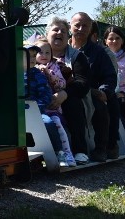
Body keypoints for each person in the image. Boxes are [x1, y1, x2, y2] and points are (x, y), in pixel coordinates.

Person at [70, 12, 118, 162]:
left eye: (85, 25)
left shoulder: (98, 52)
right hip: (69, 92)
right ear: (70, 26)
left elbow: (110, 76)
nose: (80, 28)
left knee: (100, 105)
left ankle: (101, 148)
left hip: (92, 92)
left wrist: (104, 91)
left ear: (91, 29)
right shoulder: (62, 49)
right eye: (77, 25)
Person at [24, 38, 76, 167]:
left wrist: (37, 107)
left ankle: (59, 152)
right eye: (27, 56)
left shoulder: (39, 75)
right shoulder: (14, 75)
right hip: (20, 111)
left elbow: (46, 95)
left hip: (37, 111)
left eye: (33, 56)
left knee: (49, 122)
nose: (31, 59)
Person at [46, 15, 91, 165]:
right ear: (47, 34)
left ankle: (80, 150)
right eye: (55, 30)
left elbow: (82, 83)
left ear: (68, 36)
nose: (59, 33)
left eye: (63, 31)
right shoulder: (36, 51)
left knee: (73, 103)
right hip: (41, 94)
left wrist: (64, 94)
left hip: (69, 96)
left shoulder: (77, 57)